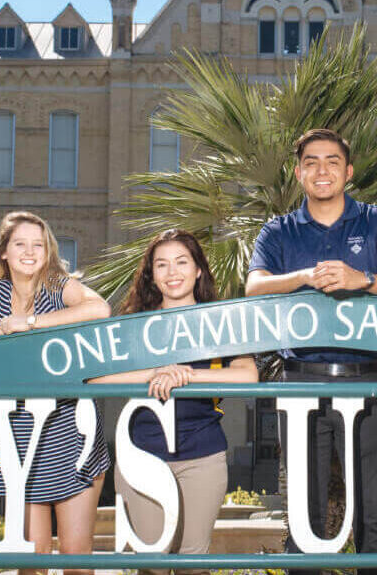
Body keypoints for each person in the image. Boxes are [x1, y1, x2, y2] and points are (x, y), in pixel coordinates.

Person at [245, 128, 377, 575]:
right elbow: (255, 287)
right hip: (300, 378)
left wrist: (359, 278)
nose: (322, 170)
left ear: (348, 171)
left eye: (332, 162)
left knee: (372, 514)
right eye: (311, 162)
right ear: (299, 172)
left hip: (366, 377)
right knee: (305, 515)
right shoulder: (279, 230)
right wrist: (303, 275)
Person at [0, 211, 111, 575]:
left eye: (38, 244)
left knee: (76, 561)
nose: (29, 252)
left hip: (71, 431)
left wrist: (30, 324)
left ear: (48, 252)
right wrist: (2, 334)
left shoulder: (58, 285)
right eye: (20, 244)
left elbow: (100, 308)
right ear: (4, 252)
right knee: (32, 562)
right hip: (19, 440)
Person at [90, 229, 258, 575]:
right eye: (161, 265)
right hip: (143, 454)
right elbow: (96, 378)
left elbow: (247, 374)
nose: (172, 272)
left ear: (199, 269)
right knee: (153, 563)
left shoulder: (221, 322)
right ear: (151, 274)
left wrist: (187, 374)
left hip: (203, 454)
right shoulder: (135, 325)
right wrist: (156, 371)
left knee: (193, 563)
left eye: (182, 262)